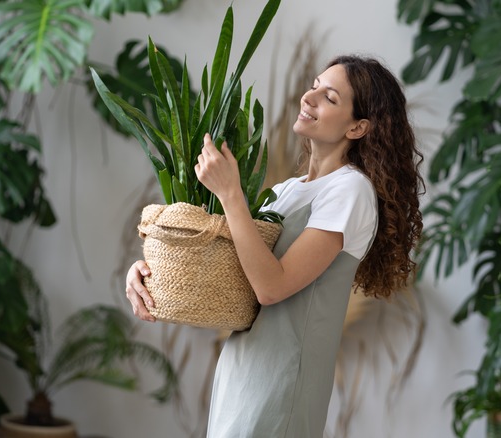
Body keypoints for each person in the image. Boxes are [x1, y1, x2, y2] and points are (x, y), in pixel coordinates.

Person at [125, 54, 424, 437]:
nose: (309, 98)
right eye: (314, 85)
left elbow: (272, 287)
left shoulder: (350, 190)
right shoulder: (284, 194)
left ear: (358, 127)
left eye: (329, 97)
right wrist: (151, 273)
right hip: (242, 371)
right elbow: (231, 276)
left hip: (282, 382)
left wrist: (232, 194)